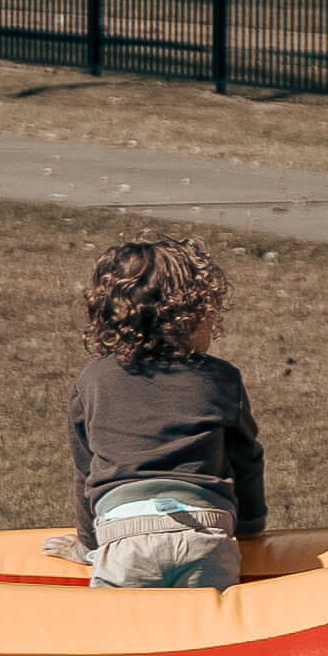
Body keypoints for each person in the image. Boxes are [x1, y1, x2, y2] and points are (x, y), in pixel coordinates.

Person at [66, 234, 265, 590]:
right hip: (206, 532)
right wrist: (252, 526)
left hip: (125, 533)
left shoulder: (92, 381)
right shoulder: (220, 377)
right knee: (208, 636)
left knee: (120, 639)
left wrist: (88, 545)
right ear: (191, 315)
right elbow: (247, 459)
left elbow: (86, 471)